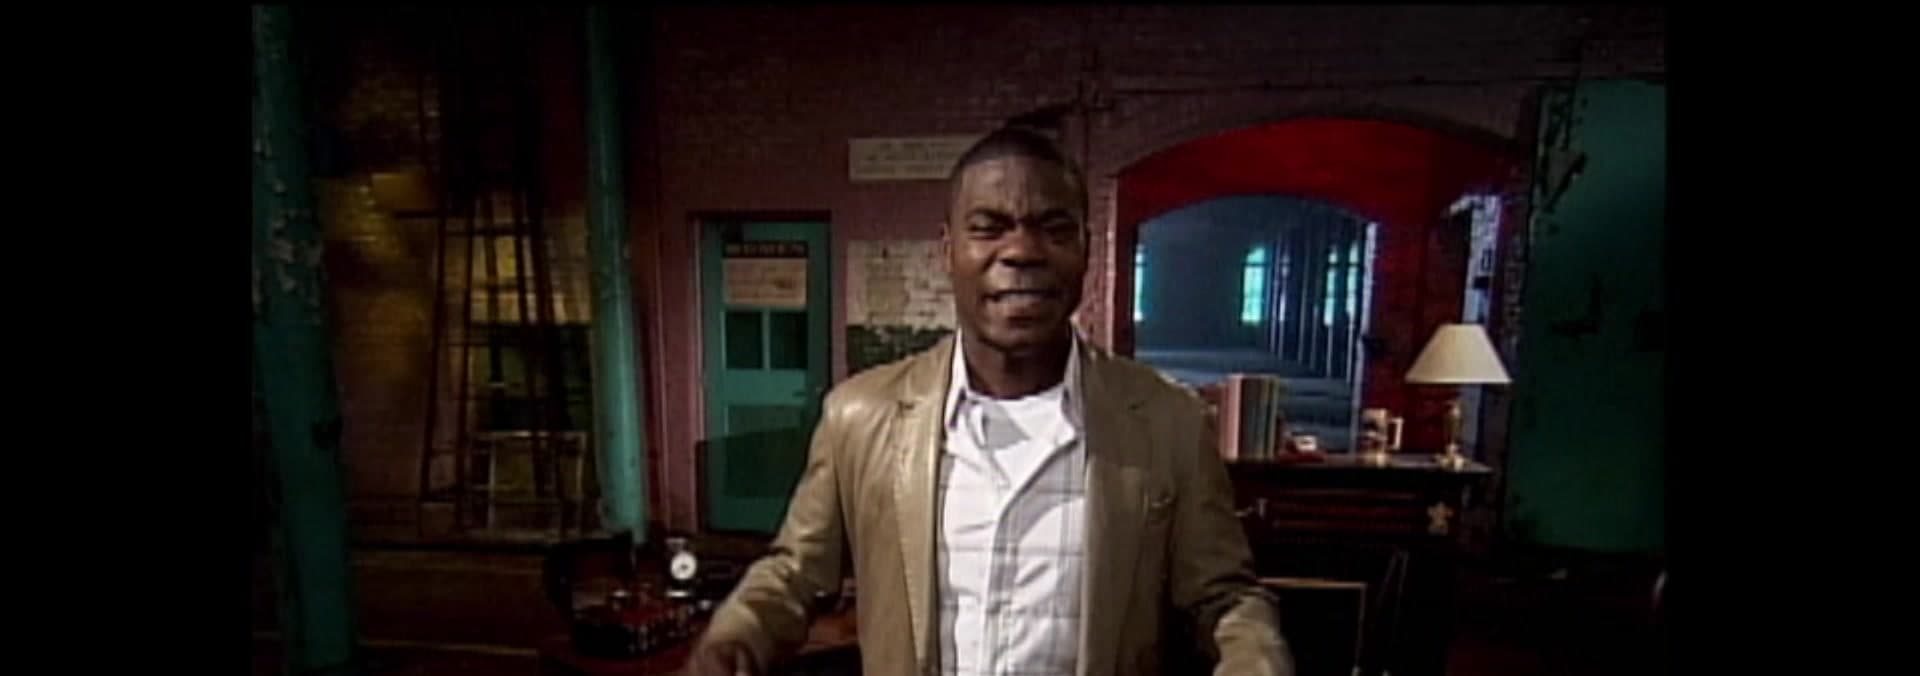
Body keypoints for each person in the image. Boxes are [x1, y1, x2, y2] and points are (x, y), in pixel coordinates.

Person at [688, 125, 1293, 676]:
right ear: (947, 251)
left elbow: (1224, 597)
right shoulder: (860, 417)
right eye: (989, 227)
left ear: (1086, 250)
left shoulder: (1168, 423)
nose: (1022, 251)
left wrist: (1255, 658)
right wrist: (735, 637)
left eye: (1054, 229)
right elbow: (793, 575)